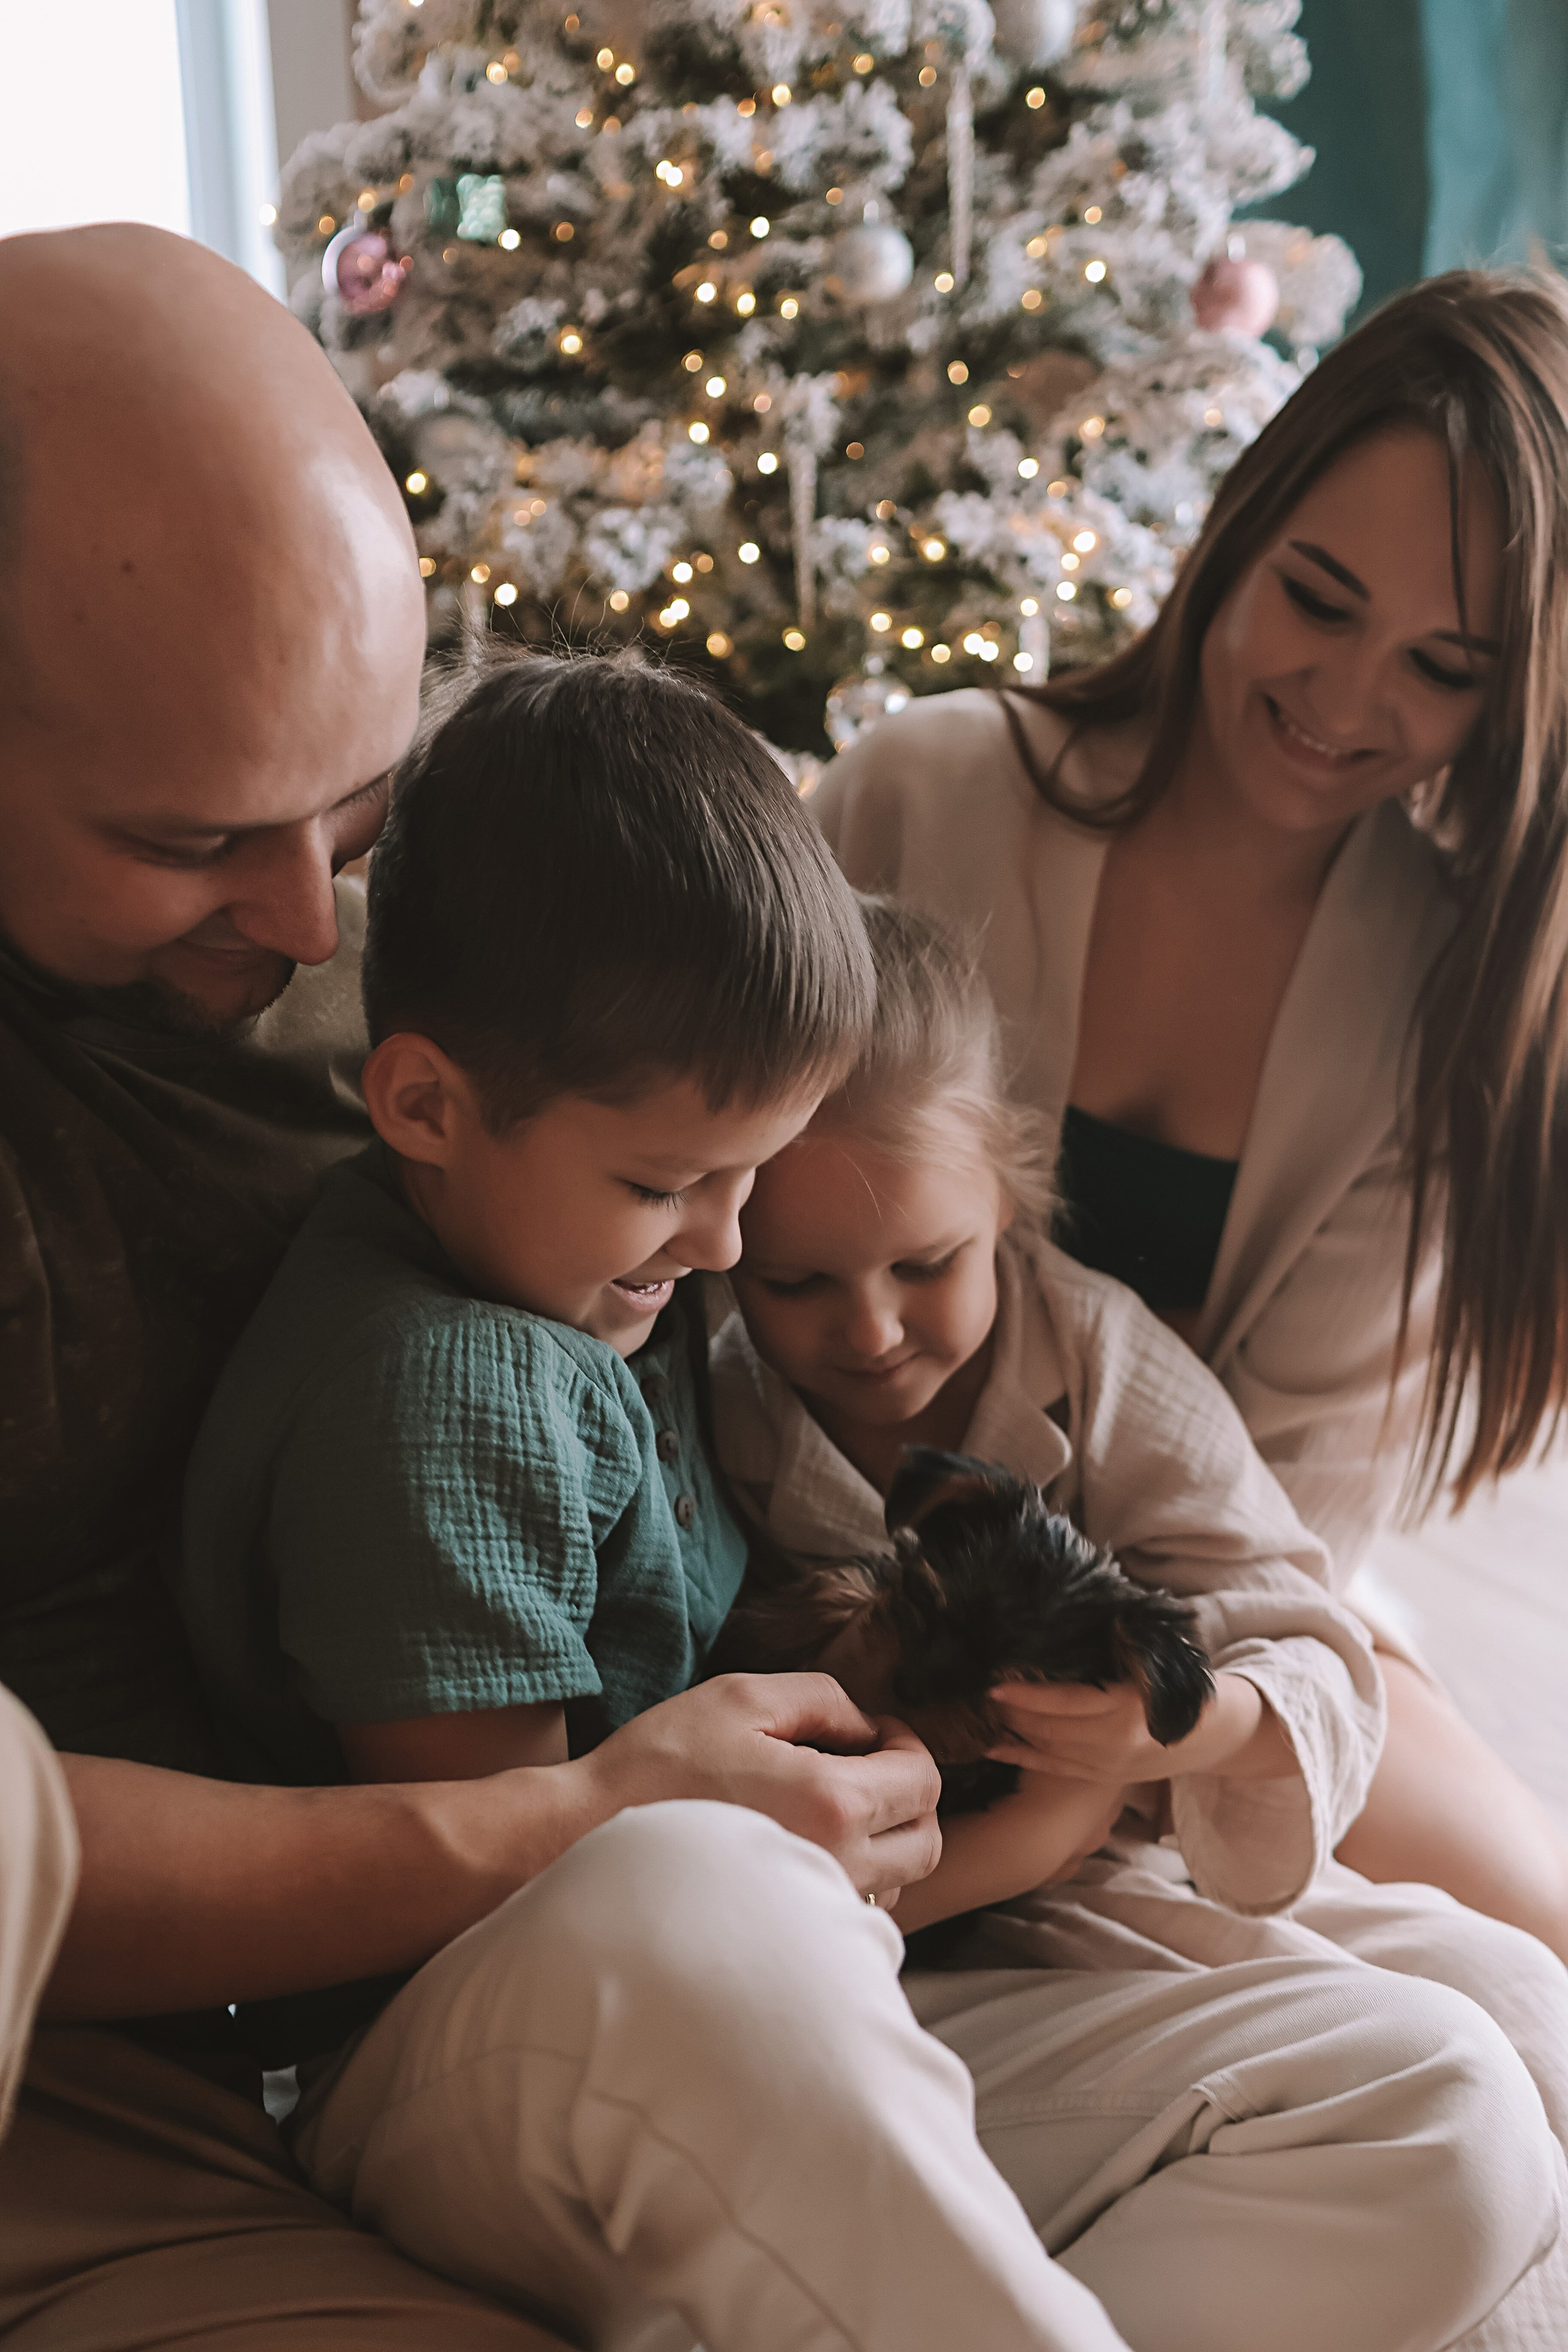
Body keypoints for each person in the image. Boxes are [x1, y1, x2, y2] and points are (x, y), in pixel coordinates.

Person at [0, 225, 1552, 2352]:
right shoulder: (452, 1356)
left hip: (852, 1825)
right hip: (462, 1996)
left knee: (1443, 2103)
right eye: (193, 842)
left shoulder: (539, 1093)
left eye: (352, 814)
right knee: (716, 1901)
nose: (302, 919)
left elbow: (1258, 1533)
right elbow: (515, 1831)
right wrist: (742, 1789)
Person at [812, 268, 1568, 1962]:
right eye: (1317, 598)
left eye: (1442, 667)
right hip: (805, 1538)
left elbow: (1274, 1543)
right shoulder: (924, 793)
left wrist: (1130, 1742)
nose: (1350, 704)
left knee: (1541, 1979)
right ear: (1242, 522)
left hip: (1203, 1613)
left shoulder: (1442, 1006)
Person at [710, 892, 1568, 2341]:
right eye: (796, 1282)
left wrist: (1168, 1726)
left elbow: (1294, 1617)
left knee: (1525, 2003)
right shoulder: (698, 1377)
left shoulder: (1092, 1345)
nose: (866, 1333)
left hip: (1122, 1835)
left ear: (1008, 1202)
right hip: (905, 1906)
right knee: (1436, 2111)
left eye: (924, 1266)